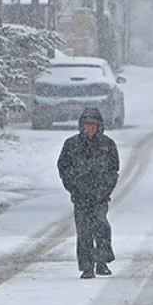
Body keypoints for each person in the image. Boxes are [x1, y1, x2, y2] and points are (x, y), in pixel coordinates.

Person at [57, 107, 119, 279]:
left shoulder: (107, 145)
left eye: (93, 124)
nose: (89, 128)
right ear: (81, 126)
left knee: (101, 225)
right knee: (84, 230)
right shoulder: (72, 145)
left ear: (99, 126)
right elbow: (63, 167)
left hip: (100, 195)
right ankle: (86, 266)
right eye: (87, 124)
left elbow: (113, 169)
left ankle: (102, 261)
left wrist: (106, 188)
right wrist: (73, 187)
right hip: (80, 196)